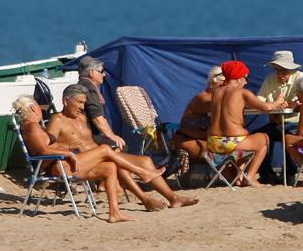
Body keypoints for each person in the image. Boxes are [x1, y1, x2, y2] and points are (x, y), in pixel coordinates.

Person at [12, 95, 168, 222]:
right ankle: (143, 173)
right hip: (59, 166)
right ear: (33, 108)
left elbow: (47, 146)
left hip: (61, 162)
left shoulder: (33, 126)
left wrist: (65, 149)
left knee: (110, 167)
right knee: (105, 149)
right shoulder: (31, 126)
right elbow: (42, 150)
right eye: (39, 107)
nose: (40, 110)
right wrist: (67, 153)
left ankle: (114, 212)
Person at [47, 85, 198, 208]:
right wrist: (65, 150)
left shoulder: (81, 118)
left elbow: (87, 140)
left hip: (99, 154)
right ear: (66, 101)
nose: (82, 106)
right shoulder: (57, 120)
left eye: (83, 103)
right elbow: (48, 144)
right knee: (115, 164)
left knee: (145, 160)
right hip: (82, 162)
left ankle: (173, 198)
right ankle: (145, 199)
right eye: (79, 102)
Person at [208, 60, 286, 187]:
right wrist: (278, 101)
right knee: (264, 138)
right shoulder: (242, 92)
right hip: (232, 144)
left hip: (213, 144)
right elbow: (266, 108)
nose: (246, 81)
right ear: (238, 78)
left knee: (247, 142)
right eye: (245, 78)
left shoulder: (216, 93)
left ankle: (238, 177)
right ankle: (249, 177)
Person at [251, 50, 303, 182]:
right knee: (258, 136)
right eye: (277, 70)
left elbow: (299, 103)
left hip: (297, 123)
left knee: (287, 136)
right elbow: (258, 100)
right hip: (277, 122)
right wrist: (273, 105)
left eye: (284, 71)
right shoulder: (270, 80)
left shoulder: (302, 79)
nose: (280, 74)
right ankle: (266, 174)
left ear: (292, 69)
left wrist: (275, 105)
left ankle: (289, 174)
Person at [171, 65, 224, 170]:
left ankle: (238, 179)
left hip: (201, 139)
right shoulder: (204, 99)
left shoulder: (212, 98)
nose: (225, 88)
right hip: (188, 141)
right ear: (212, 82)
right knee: (224, 150)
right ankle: (235, 179)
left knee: (231, 147)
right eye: (221, 85)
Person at [77, 56, 126, 150]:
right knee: (119, 146)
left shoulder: (82, 85)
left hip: (84, 133)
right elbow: (97, 118)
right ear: (91, 72)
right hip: (89, 135)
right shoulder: (88, 88)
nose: (104, 75)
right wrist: (112, 136)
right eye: (101, 71)